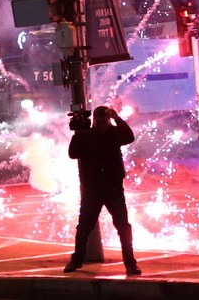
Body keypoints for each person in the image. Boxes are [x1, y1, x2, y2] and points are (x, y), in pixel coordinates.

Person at [64, 105, 140, 276]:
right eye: (99, 121)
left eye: (104, 121)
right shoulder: (86, 135)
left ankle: (130, 263)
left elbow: (129, 137)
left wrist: (118, 118)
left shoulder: (114, 133)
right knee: (84, 227)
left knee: (123, 227)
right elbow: (73, 153)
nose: (101, 124)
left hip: (112, 187)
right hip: (93, 188)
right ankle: (76, 260)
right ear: (94, 122)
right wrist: (78, 132)